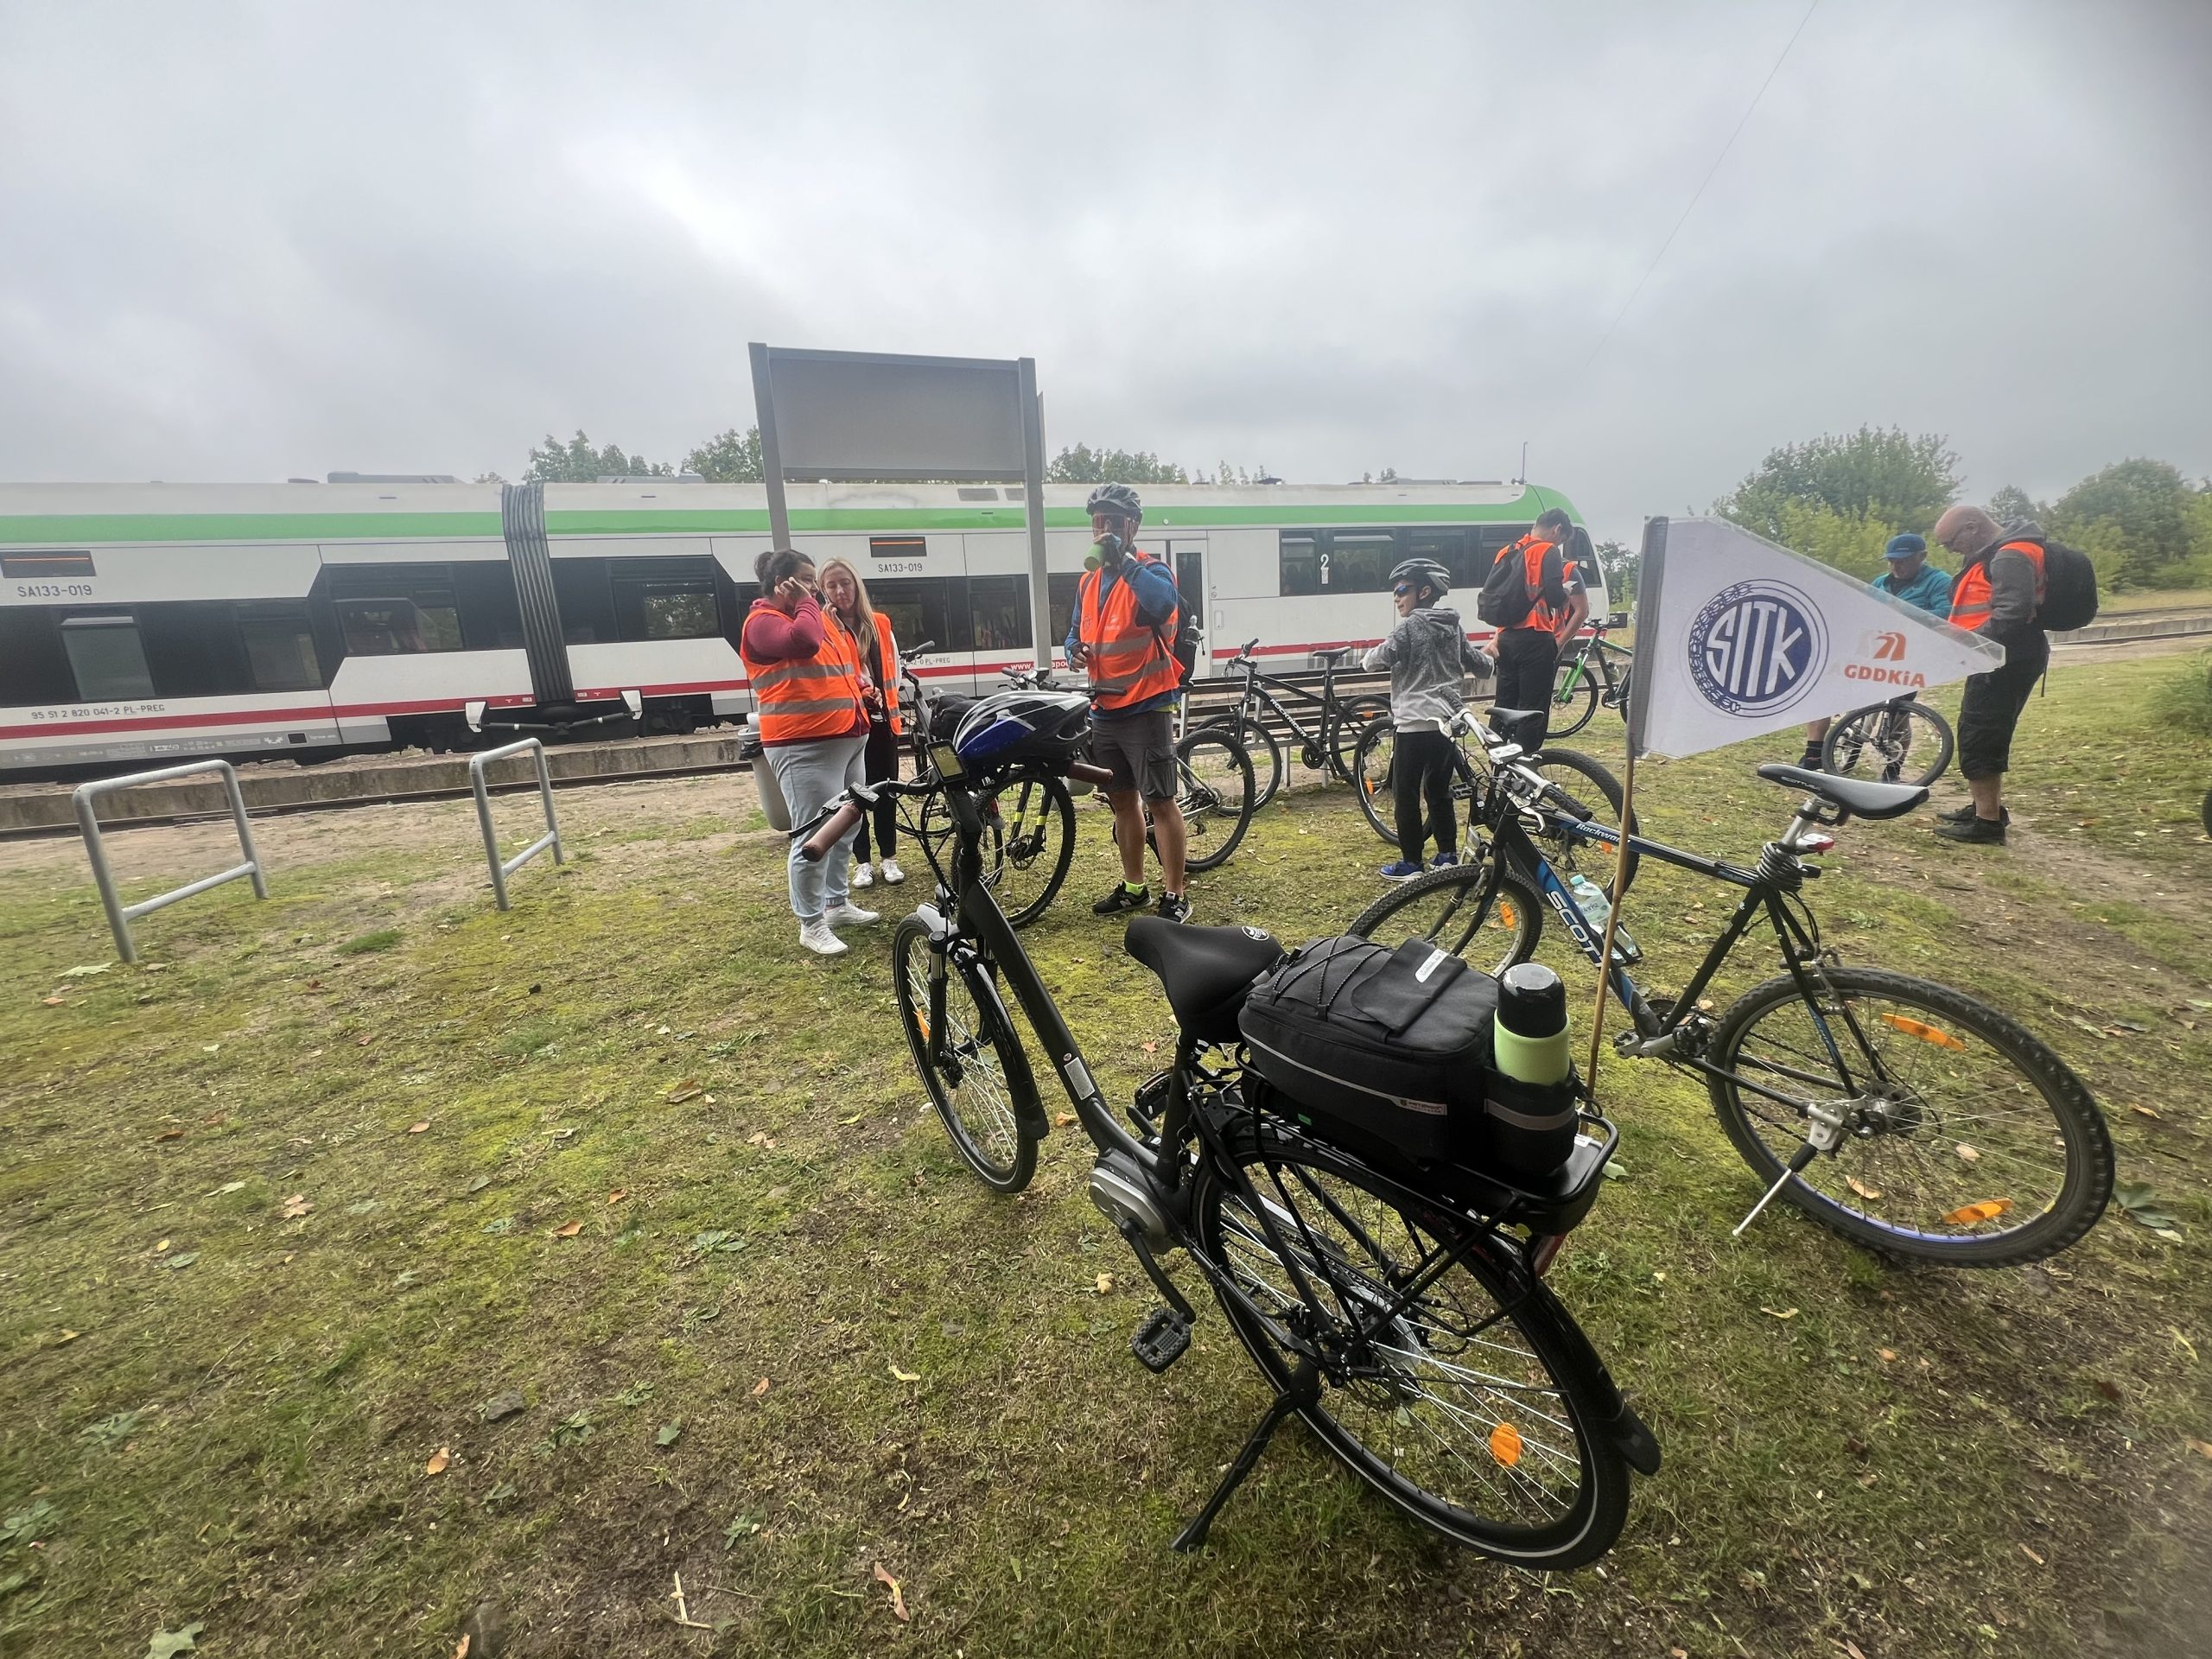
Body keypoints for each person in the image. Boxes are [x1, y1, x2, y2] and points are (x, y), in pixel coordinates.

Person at [739, 548, 879, 955]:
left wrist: (862, 690)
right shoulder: (763, 622)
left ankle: (836, 904)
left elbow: (841, 668)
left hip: (847, 739)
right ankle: (811, 923)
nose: (813, 588)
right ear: (781, 583)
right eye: (804, 579)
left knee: (846, 826)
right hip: (802, 745)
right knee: (813, 835)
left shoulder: (816, 617)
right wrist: (804, 603)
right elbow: (804, 643)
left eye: (811, 581)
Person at [1065, 481, 1192, 924]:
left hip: (1146, 705)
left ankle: (1175, 894)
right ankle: (1135, 887)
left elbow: (1163, 604)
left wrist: (1126, 563)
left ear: (1133, 526)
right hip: (1104, 709)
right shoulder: (1087, 581)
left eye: (1114, 522)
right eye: (1098, 521)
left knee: (1161, 802)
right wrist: (1073, 650)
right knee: (1122, 801)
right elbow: (1075, 632)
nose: (1104, 528)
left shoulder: (1152, 571)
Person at [1365, 557, 1495, 880]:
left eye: (1402, 590)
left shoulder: (1409, 626)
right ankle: (1447, 856)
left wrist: (1368, 658)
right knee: (1438, 791)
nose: (1396, 597)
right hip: (1447, 724)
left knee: (1406, 793)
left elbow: (1382, 657)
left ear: (1423, 591)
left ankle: (1412, 863)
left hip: (1413, 724)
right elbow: (1479, 664)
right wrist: (1492, 658)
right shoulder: (1453, 626)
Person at [1929, 505, 2049, 845]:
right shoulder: (2001, 551)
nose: (1951, 550)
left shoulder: (2010, 555)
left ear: (1972, 527)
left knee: (1980, 735)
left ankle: (1988, 824)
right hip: (1997, 658)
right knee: (1981, 731)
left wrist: (1969, 641)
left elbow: (2012, 614)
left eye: (1951, 542)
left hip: (2003, 660)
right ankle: (1985, 808)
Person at [1796, 532, 1954, 768]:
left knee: (1898, 713)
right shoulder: (1881, 583)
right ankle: (1814, 754)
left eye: (1903, 561)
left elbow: (1946, 615)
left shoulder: (1939, 581)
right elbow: (1861, 610)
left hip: (1910, 656)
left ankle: (1893, 769)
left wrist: (1902, 611)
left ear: (1922, 557)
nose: (1896, 567)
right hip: (1873, 651)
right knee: (1824, 692)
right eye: (1891, 561)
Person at [818, 558, 905, 890]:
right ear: (823, 591)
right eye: (832, 585)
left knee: (886, 792)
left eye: (845, 583)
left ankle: (889, 858)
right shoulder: (823, 628)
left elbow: (894, 671)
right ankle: (863, 863)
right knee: (855, 797)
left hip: (883, 723)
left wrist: (882, 700)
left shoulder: (880, 624)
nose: (840, 591)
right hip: (849, 726)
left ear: (857, 585)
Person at [1489, 507, 1585, 745]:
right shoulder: (1547, 550)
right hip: (1536, 639)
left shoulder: (1506, 551)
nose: (1559, 545)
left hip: (1506, 639)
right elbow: (1554, 597)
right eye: (1561, 540)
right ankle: (1526, 760)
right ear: (1557, 529)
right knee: (1533, 709)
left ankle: (1497, 757)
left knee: (1504, 703)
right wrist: (1565, 592)